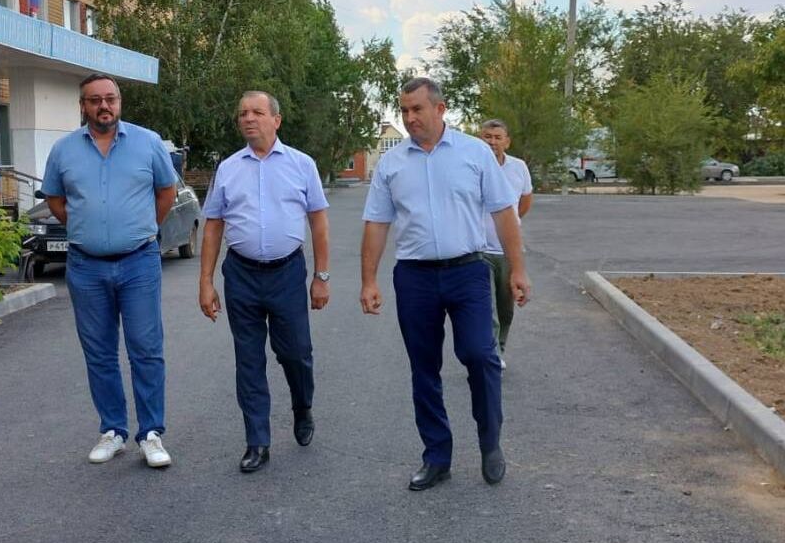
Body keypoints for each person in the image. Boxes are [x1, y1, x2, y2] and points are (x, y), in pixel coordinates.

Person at [360, 77, 531, 491]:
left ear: (440, 109)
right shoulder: (393, 163)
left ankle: (490, 442)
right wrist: (369, 280)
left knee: (480, 355)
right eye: (403, 110)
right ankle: (437, 456)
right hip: (415, 277)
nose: (409, 118)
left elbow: (505, 214)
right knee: (424, 368)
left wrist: (518, 270)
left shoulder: (475, 153)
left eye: (417, 109)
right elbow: (377, 223)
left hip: (469, 270)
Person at [41, 73, 178, 469]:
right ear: (82, 106)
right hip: (86, 267)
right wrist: (87, 229)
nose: (104, 106)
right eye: (95, 100)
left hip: (139, 262)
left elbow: (165, 192)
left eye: (111, 99)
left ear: (119, 102)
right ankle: (113, 431)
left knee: (146, 350)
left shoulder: (148, 143)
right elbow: (55, 197)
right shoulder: (64, 150)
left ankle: (150, 433)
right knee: (99, 353)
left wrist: (142, 230)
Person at [199, 91, 331, 474]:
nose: (248, 118)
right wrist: (206, 282)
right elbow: (213, 227)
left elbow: (319, 223)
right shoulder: (228, 168)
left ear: (277, 119)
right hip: (240, 274)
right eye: (242, 113)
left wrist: (321, 277)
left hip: (287, 274)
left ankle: (302, 405)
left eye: (257, 112)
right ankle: (257, 440)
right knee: (249, 359)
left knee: (296, 353)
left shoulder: (301, 165)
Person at [477, 119, 534, 370]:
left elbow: (525, 201)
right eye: (487, 136)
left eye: (497, 137)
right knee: (486, 308)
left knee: (504, 307)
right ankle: (491, 354)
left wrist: (512, 223)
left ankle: (500, 346)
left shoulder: (519, 168)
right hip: (478, 249)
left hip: (507, 251)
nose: (492, 142)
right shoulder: (472, 166)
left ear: (507, 141)